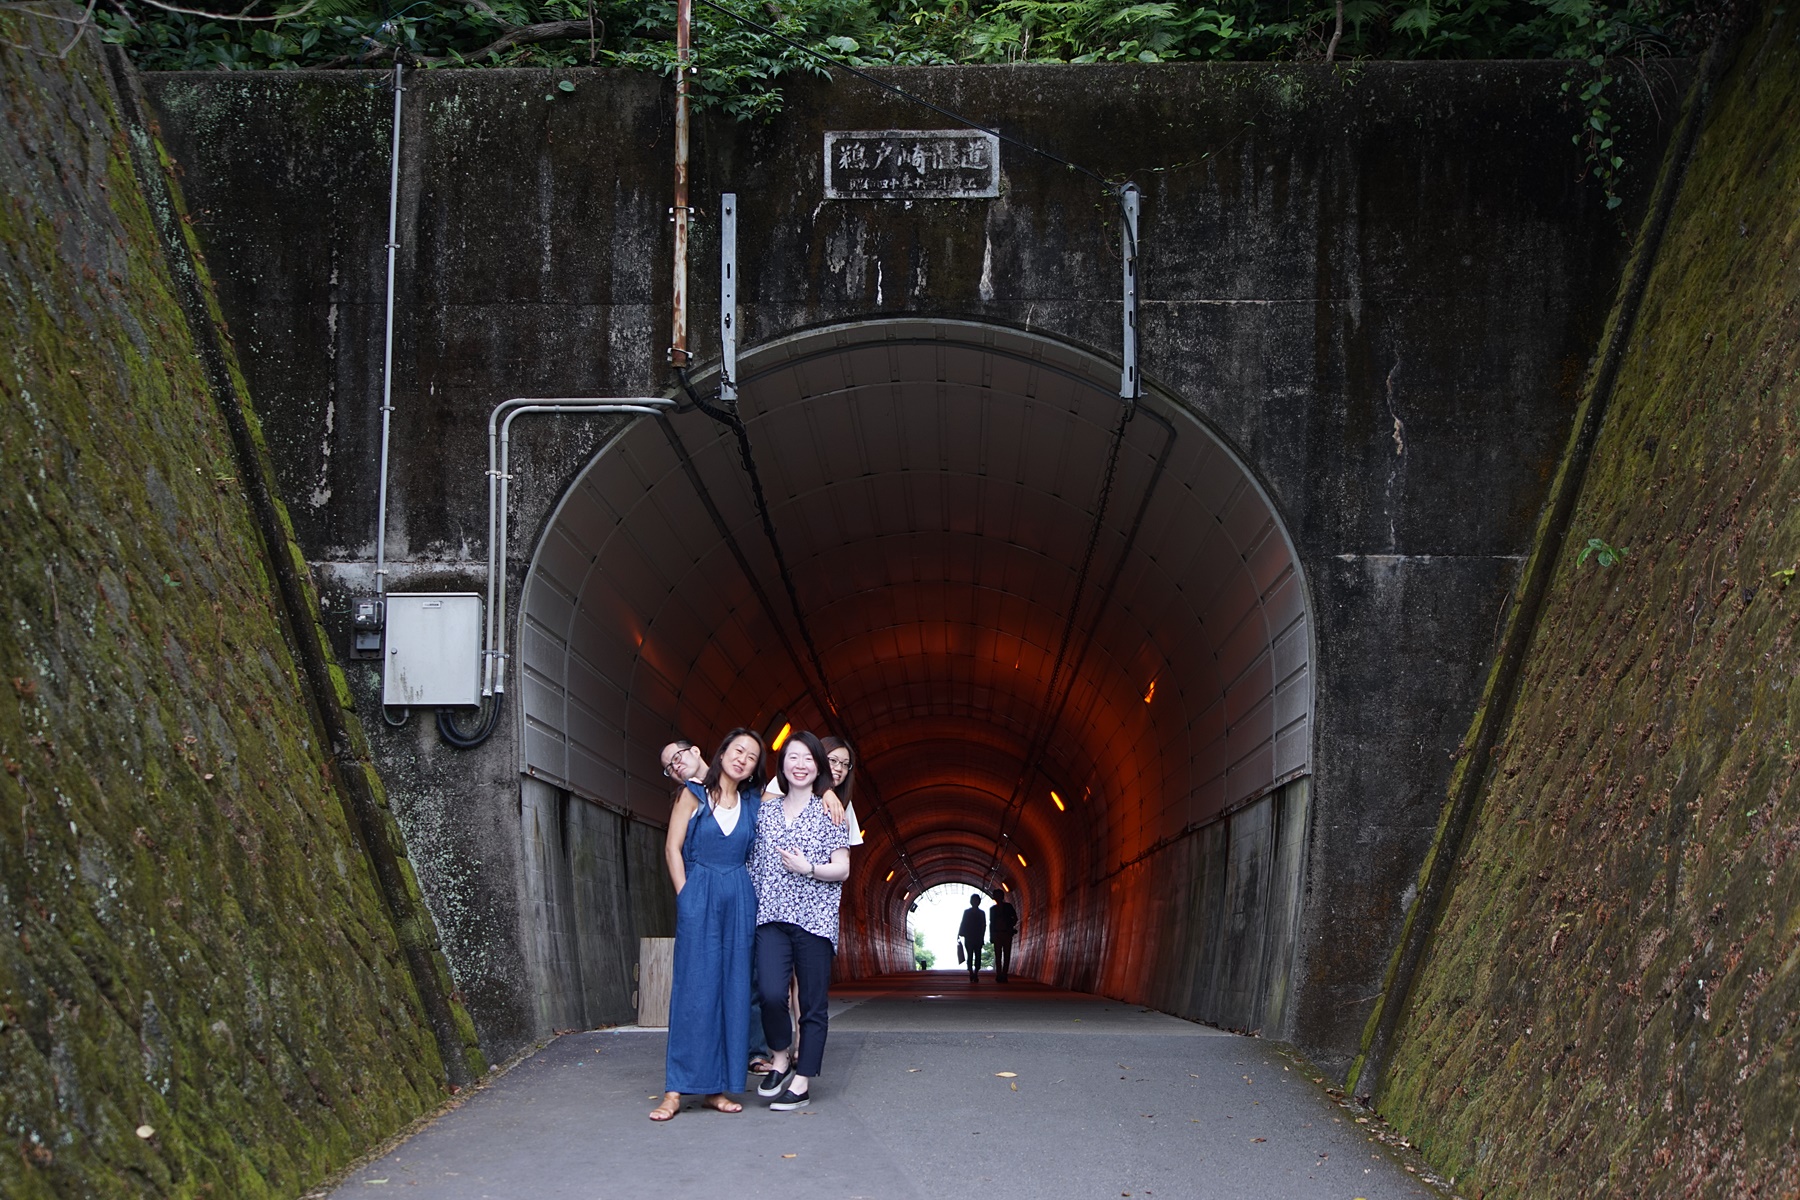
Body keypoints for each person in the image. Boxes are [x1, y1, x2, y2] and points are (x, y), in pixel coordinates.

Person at [651, 729, 764, 1122]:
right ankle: (674, 1090)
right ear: (722, 752)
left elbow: (798, 783)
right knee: (693, 990)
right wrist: (685, 896)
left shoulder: (754, 802)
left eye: (751, 756)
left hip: (739, 897)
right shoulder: (693, 794)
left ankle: (717, 1089)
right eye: (738, 750)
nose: (742, 759)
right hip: (700, 891)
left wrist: (831, 793)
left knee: (733, 990)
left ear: (754, 768)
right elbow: (672, 847)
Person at [750, 732, 851, 1110]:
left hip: (815, 919)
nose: (800, 764)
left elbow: (842, 868)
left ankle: (802, 1080)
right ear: (782, 765)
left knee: (811, 1003)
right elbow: (752, 864)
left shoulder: (831, 812)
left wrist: (809, 868)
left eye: (809, 758)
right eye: (793, 757)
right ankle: (780, 1057)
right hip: (771, 916)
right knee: (771, 993)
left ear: (818, 767)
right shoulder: (765, 813)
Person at [989, 893, 1018, 983]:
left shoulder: (1007, 907)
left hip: (1005, 933)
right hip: (998, 933)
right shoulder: (993, 909)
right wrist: (992, 935)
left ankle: (1004, 974)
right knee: (998, 955)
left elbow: (1015, 918)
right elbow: (991, 923)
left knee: (1006, 954)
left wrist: (1010, 926)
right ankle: (999, 974)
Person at [957, 894, 986, 983]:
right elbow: (983, 925)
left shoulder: (967, 912)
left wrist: (959, 933)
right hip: (977, 937)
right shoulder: (981, 913)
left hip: (969, 937)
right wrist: (982, 936)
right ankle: (975, 972)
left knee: (970, 955)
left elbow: (963, 923)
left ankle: (971, 972)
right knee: (977, 955)